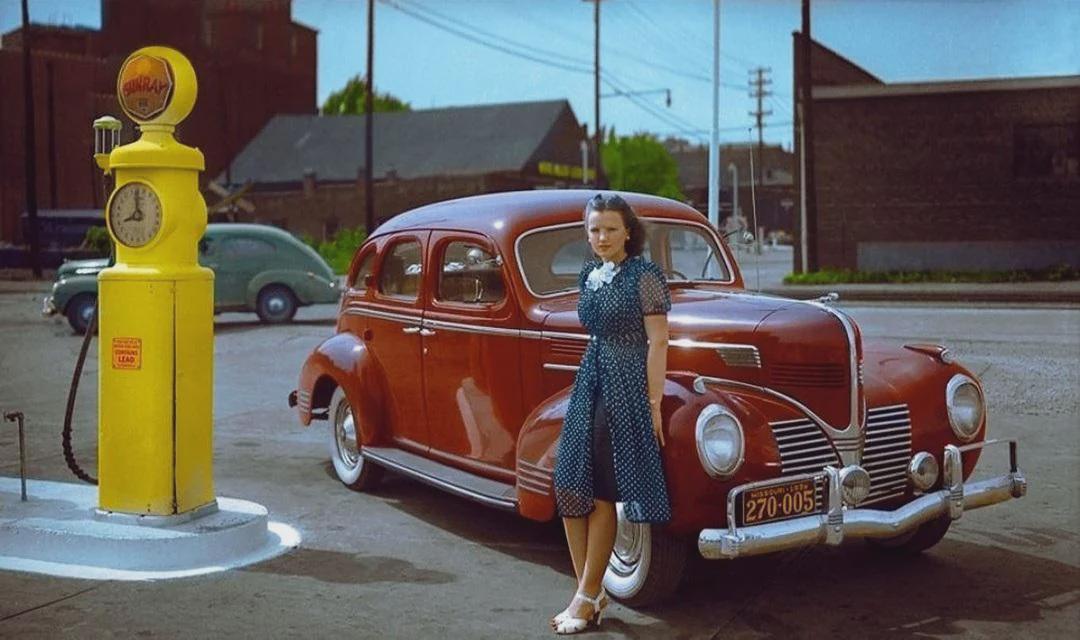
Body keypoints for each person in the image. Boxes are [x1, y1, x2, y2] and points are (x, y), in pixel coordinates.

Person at [550, 193, 672, 635]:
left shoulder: (645, 276)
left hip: (626, 386)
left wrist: (653, 402)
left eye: (610, 229)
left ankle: (584, 597)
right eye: (594, 229)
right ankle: (591, 591)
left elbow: (658, 341)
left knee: (602, 490)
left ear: (628, 232)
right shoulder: (588, 273)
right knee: (568, 483)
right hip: (591, 378)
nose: (601, 237)